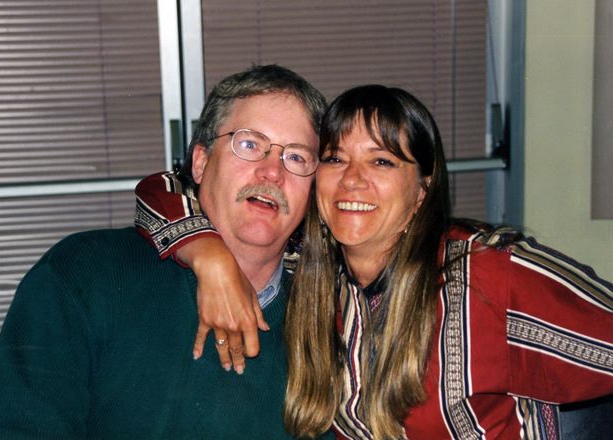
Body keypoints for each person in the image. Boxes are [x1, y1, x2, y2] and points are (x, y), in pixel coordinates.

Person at [131, 85, 613, 439]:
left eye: (382, 161)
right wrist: (209, 256)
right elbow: (162, 188)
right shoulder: (312, 271)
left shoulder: (484, 278)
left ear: (422, 190)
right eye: (335, 159)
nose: (352, 181)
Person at [0, 64, 330, 439]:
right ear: (201, 162)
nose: (272, 172)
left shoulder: (326, 323)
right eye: (250, 144)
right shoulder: (85, 275)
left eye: (296, 157)